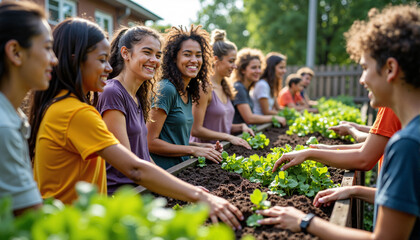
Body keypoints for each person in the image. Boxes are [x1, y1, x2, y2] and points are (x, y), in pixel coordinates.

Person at [29, 18, 243, 229]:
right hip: (73, 225)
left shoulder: (76, 104)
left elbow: (141, 160)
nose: (107, 68)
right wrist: (198, 195)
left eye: (157, 55)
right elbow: (133, 168)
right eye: (101, 60)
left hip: (83, 220)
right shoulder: (77, 111)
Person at [258, 5, 420, 239]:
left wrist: (305, 221)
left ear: (391, 69)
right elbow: (407, 200)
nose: (362, 79)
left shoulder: (407, 144)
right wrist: (354, 189)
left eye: (365, 68)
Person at [0, 1, 57, 216]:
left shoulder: (13, 116)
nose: (54, 60)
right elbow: (31, 218)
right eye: (47, 48)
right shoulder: (3, 127)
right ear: (15, 52)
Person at [147, 25, 224, 170]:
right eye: (187, 54)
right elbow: (150, 142)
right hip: (165, 173)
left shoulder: (187, 91)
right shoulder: (166, 89)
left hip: (182, 170)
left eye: (198, 55)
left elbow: (174, 140)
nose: (194, 60)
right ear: (174, 58)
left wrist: (202, 147)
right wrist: (193, 150)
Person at [95, 26, 161, 195]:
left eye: (158, 55)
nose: (154, 60)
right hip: (123, 197)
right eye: (147, 52)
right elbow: (128, 164)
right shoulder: (112, 92)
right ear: (125, 53)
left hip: (142, 189)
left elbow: (143, 155)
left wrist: (170, 181)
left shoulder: (137, 97)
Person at [189, 29, 253, 148]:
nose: (235, 66)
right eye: (231, 61)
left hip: (220, 152)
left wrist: (241, 126)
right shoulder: (204, 87)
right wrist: (228, 137)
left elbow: (221, 126)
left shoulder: (226, 87)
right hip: (202, 156)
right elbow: (196, 130)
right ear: (216, 60)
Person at [230, 48, 286, 125]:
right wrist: (274, 118)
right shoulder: (238, 87)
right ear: (243, 70)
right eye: (253, 68)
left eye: (259, 67)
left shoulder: (246, 88)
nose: (258, 71)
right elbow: (249, 118)